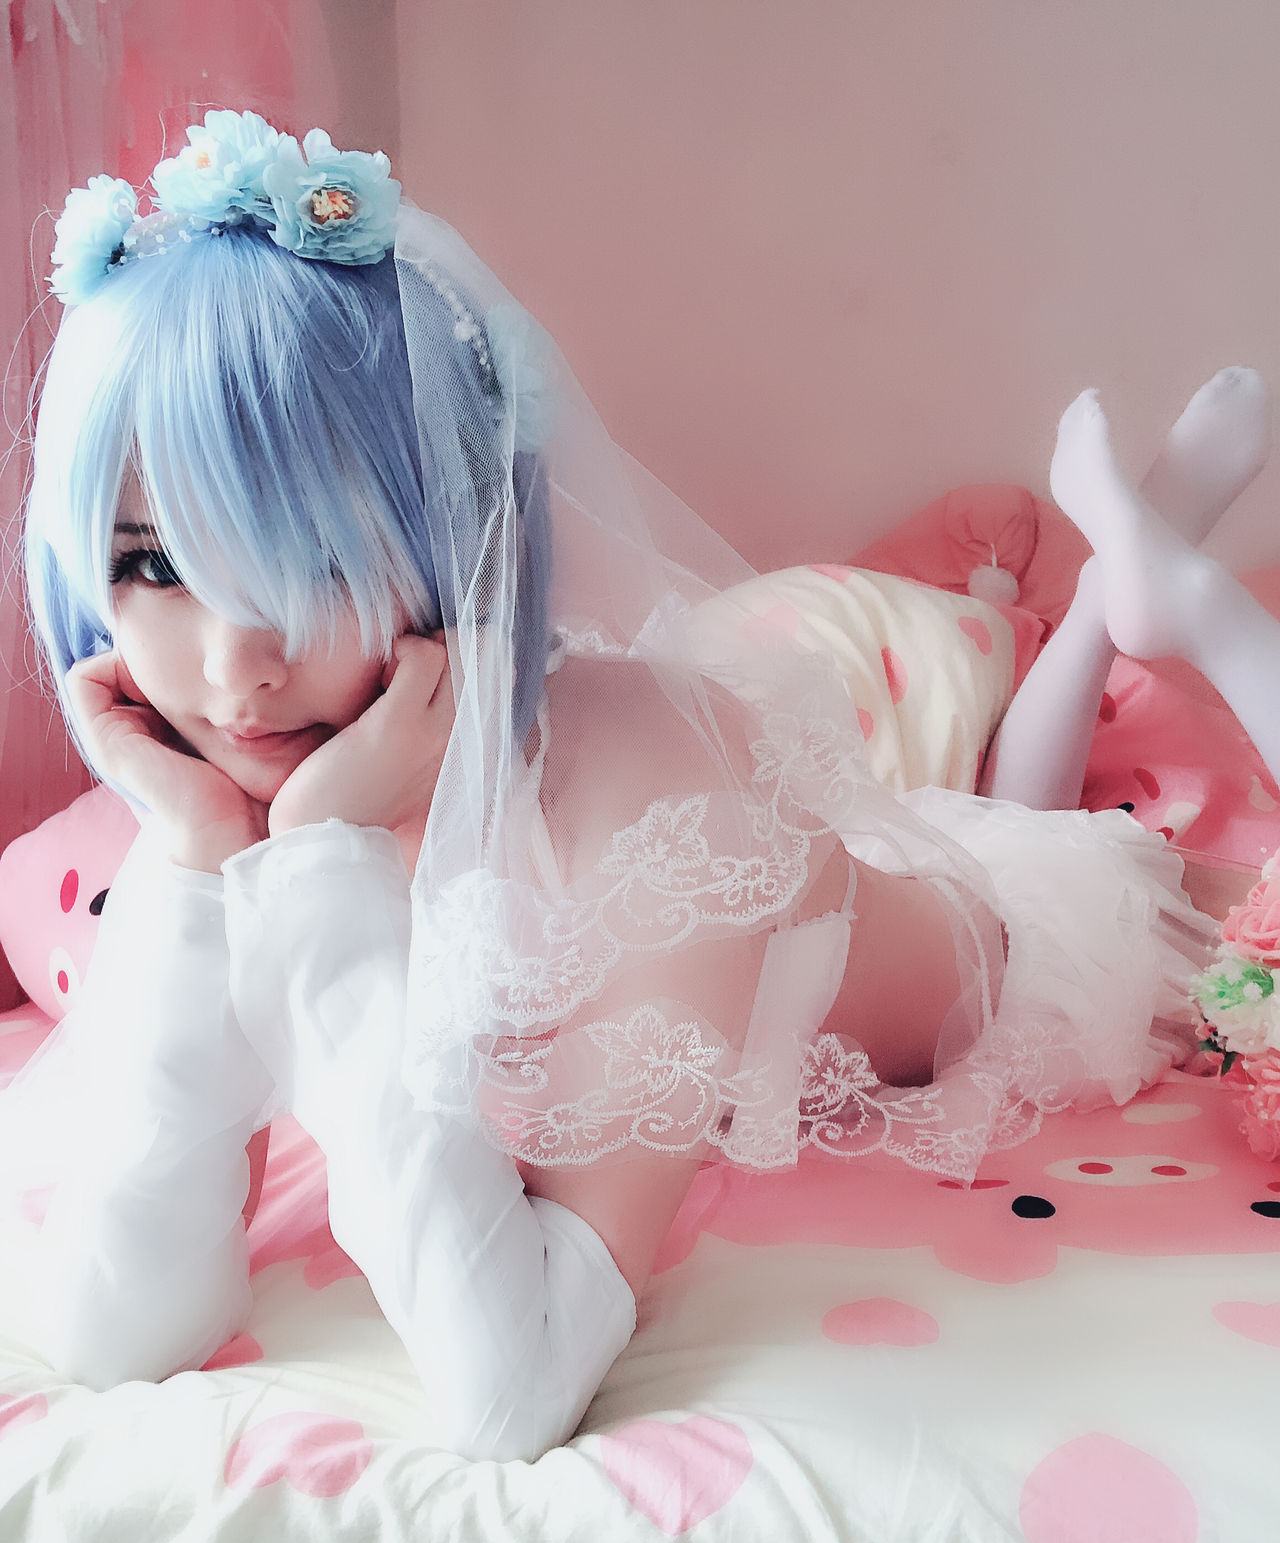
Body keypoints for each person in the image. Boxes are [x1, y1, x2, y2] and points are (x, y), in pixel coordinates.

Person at [0, 107, 1252, 1463]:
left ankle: (1125, 594)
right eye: (152, 565)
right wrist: (201, 860)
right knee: (1007, 793)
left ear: (447, 538)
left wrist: (312, 861)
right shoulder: (226, 794)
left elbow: (512, 1386)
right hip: (850, 881)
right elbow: (121, 1330)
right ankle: (1121, 589)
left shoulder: (650, 790)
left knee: (1046, 822)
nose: (233, 670)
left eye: (311, 563)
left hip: (1011, 952)